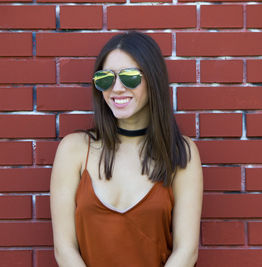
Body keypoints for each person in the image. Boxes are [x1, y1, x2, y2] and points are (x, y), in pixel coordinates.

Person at [50, 31, 203, 267]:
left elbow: (187, 252)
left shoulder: (180, 153)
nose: (117, 88)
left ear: (153, 79)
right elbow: (64, 249)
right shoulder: (74, 151)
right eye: (105, 79)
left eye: (130, 77)